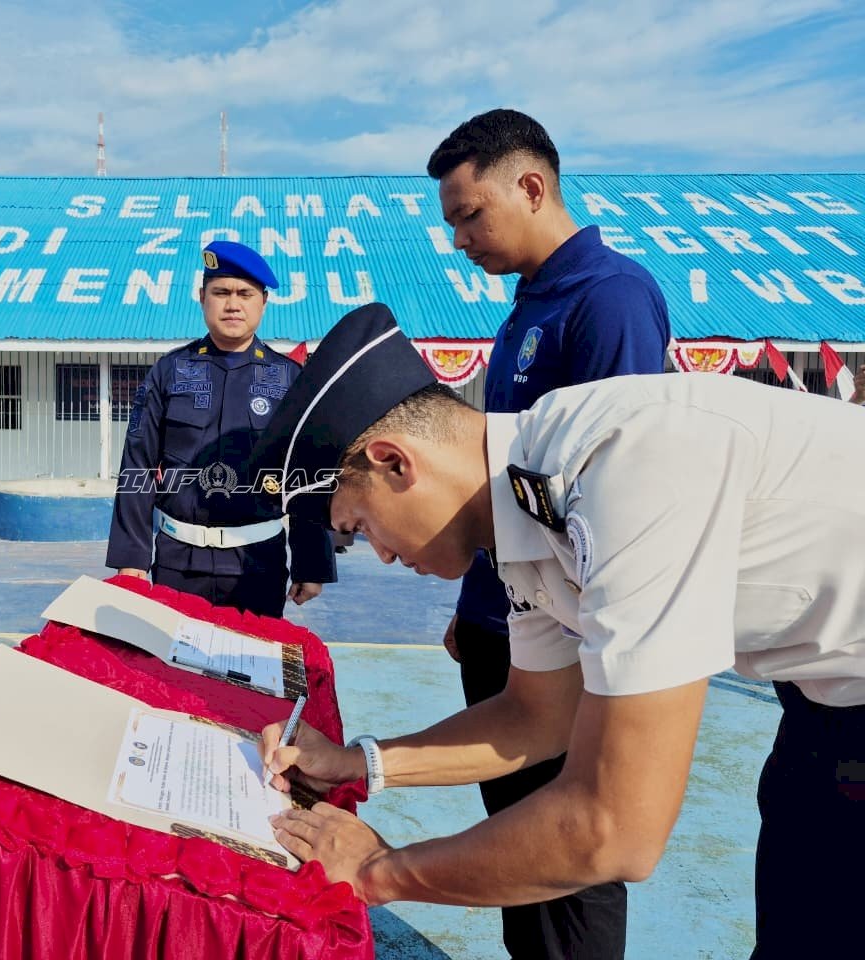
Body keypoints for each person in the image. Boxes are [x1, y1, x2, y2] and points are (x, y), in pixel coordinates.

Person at [255, 303, 864, 960]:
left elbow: (619, 830)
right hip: (828, 705)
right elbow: (536, 716)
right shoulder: (527, 493)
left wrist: (380, 872)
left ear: (394, 462)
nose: (378, 553)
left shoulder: (623, 471)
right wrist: (356, 763)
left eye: (358, 527)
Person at [428, 108, 670, 958]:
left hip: (569, 646)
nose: (459, 239)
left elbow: (622, 497)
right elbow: (507, 478)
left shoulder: (610, 300)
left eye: (469, 215)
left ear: (531, 187)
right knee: (517, 855)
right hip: (507, 624)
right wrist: (477, 601)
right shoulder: (527, 309)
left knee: (568, 864)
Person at [106, 240, 335, 618]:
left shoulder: (291, 380)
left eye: (245, 293)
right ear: (202, 297)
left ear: (263, 301)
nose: (233, 304)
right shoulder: (169, 371)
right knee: (173, 672)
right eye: (221, 292)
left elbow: (305, 476)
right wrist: (131, 557)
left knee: (250, 673)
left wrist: (312, 562)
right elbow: (138, 464)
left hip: (257, 564)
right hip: (178, 563)